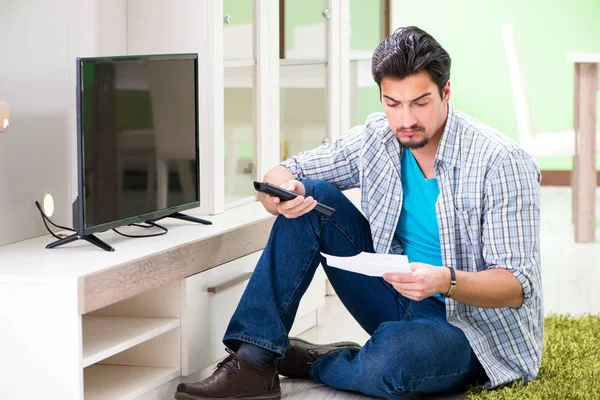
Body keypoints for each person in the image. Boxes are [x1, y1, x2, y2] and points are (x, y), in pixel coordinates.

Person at [175, 25, 543, 400]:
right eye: (393, 103)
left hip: (472, 331)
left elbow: (515, 287)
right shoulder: (378, 137)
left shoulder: (501, 162)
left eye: (420, 102)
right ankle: (253, 361)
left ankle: (318, 360)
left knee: (394, 360)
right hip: (398, 295)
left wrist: (443, 279)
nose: (405, 120)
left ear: (445, 92)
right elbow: (290, 171)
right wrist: (278, 192)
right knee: (311, 199)